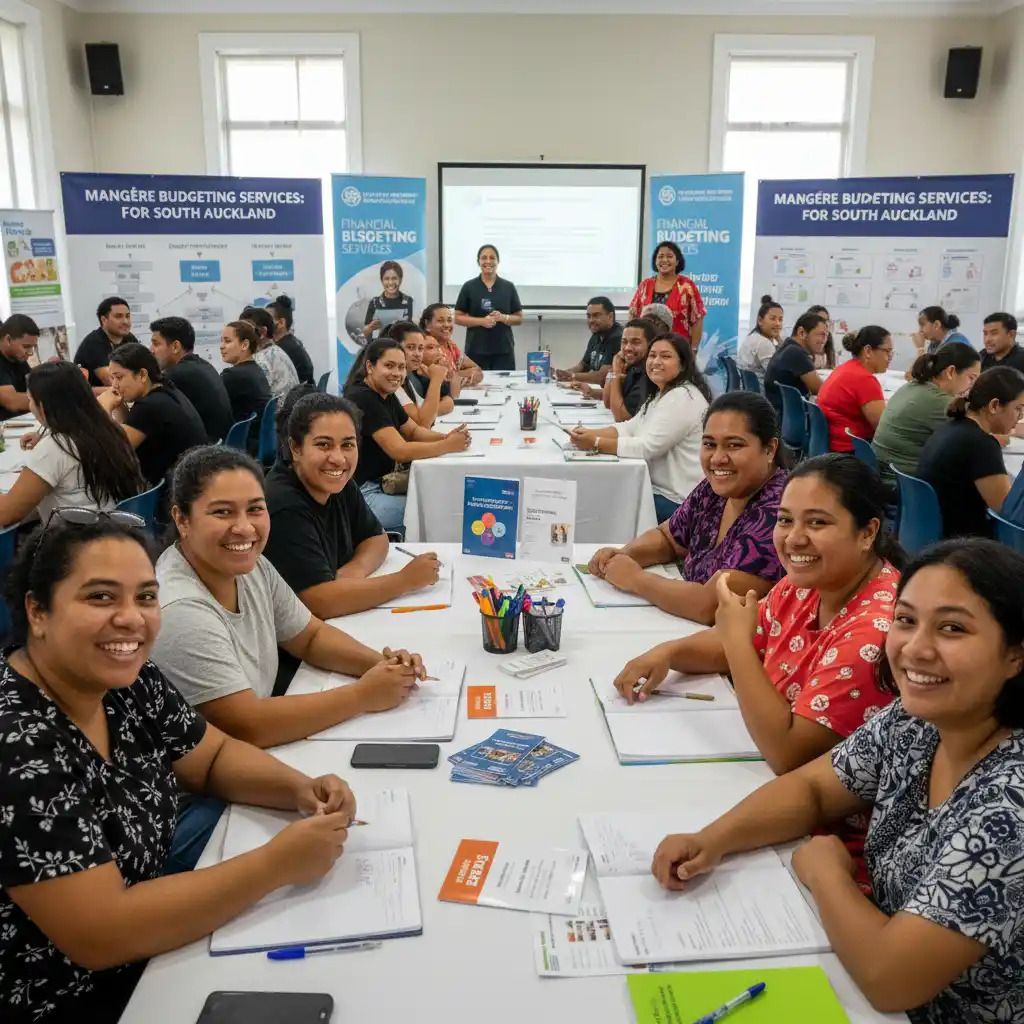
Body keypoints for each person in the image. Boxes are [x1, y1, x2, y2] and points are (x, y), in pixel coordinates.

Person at [0, 511, 362, 1024]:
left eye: (146, 596)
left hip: (152, 885)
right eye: (101, 597)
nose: (132, 619)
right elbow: (103, 934)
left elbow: (211, 755)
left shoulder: (127, 676)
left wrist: (300, 789)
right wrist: (276, 865)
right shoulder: (17, 747)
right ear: (38, 611)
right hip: (77, 991)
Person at [650, 538, 1024, 1023]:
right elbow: (811, 788)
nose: (914, 648)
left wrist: (827, 874)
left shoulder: (1009, 806)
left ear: (1015, 655)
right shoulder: (919, 721)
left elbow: (891, 979)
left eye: (952, 629)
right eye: (906, 620)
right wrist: (713, 839)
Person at [617, 455, 899, 838]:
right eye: (785, 520)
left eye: (817, 522)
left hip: (820, 833)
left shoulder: (876, 632)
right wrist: (669, 652)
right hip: (761, 779)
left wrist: (735, 642)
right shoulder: (808, 582)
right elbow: (747, 632)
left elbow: (788, 754)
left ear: (867, 533)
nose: (794, 538)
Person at [152, 445, 427, 750]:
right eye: (222, 512)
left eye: (255, 509)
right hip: (215, 785)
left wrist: (383, 666)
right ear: (182, 519)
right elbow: (247, 727)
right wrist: (362, 695)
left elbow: (309, 636)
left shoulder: (250, 565)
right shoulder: (179, 610)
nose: (244, 528)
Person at [587, 392, 787, 623]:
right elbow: (669, 538)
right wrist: (623, 556)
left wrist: (635, 579)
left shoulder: (779, 513)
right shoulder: (716, 490)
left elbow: (710, 606)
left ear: (770, 450)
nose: (718, 458)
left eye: (734, 445)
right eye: (710, 445)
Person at [263, 391, 443, 618]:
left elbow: (377, 538)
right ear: (296, 448)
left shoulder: (335, 480)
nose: (338, 458)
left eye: (347, 445)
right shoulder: (283, 506)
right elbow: (319, 602)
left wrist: (352, 572)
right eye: (323, 445)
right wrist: (404, 580)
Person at [568, 333, 712, 523]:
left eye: (665, 356)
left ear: (683, 364)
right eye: (652, 356)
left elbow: (647, 447)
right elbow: (629, 428)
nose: (656, 362)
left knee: (601, 500)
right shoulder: (662, 393)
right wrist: (587, 432)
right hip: (658, 488)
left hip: (677, 500)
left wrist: (595, 442)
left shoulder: (683, 397)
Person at [342, 338, 472, 533]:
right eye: (389, 366)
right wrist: (448, 445)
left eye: (401, 367)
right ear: (370, 366)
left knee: (442, 499)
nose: (396, 373)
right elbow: (400, 451)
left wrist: (445, 437)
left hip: (384, 484)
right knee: (438, 510)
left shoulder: (386, 393)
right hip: (364, 495)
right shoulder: (363, 398)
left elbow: (413, 430)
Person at [0, 362, 145, 527]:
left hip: (75, 543)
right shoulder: (110, 430)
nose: (30, 407)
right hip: (116, 533)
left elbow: (7, 514)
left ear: (44, 405)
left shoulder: (55, 448)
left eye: (31, 400)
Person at [916, 366, 1024, 539]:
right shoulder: (982, 445)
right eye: (1018, 409)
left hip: (931, 535)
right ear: (994, 405)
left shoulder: (951, 427)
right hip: (963, 545)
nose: (1020, 416)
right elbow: (1008, 516)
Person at [98, 343, 207, 489]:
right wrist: (119, 404)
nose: (114, 385)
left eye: (119, 377)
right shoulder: (166, 390)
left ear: (142, 375)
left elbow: (113, 451)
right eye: (112, 379)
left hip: (177, 491)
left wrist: (104, 409)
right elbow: (130, 426)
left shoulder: (150, 407)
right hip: (195, 478)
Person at [871, 342, 980, 477]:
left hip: (886, 475)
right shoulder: (939, 402)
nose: (971, 386)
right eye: (971, 378)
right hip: (899, 484)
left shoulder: (912, 387)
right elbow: (979, 440)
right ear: (951, 372)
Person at [149, 315, 233, 443]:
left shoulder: (176, 375)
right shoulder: (202, 364)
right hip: (220, 444)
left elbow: (148, 411)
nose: (151, 350)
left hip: (204, 451)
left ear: (175, 347)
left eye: (155, 344)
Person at [816, 326, 893, 452]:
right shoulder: (865, 380)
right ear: (868, 351)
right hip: (850, 450)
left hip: (833, 443)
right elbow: (883, 428)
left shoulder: (845, 368)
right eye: (887, 351)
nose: (890, 357)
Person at [454, 244, 523, 371]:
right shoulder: (469, 287)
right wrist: (482, 321)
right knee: (475, 387)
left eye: (492, 258)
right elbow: (457, 317)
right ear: (478, 261)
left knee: (503, 388)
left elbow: (519, 318)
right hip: (476, 350)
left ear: (498, 261)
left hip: (503, 350)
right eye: (483, 258)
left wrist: (503, 317)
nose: (488, 261)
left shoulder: (508, 287)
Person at [628, 242, 706, 346]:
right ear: (655, 261)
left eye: (669, 256)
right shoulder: (645, 285)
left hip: (677, 347)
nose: (664, 260)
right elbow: (633, 313)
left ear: (677, 261)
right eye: (660, 256)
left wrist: (693, 349)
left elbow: (697, 319)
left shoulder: (687, 286)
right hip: (647, 346)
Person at [219, 320, 271, 453]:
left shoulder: (233, 375)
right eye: (221, 341)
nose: (221, 346)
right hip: (258, 443)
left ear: (244, 345)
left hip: (245, 446)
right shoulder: (255, 370)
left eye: (227, 341)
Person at [763, 312, 828, 418]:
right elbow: (821, 390)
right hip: (787, 417)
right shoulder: (796, 353)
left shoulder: (788, 346)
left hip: (779, 414)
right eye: (821, 335)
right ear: (802, 332)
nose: (824, 340)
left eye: (827, 335)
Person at [391, 320, 455, 427]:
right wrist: (436, 380)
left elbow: (449, 397)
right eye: (411, 347)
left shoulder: (407, 376)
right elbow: (423, 423)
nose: (417, 354)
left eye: (420, 349)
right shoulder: (391, 380)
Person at [553, 297, 622, 384]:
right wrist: (560, 374)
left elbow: (602, 377)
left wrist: (571, 376)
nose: (591, 320)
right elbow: (582, 366)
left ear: (610, 316)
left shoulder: (618, 338)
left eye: (596, 315)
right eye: (589, 316)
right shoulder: (596, 335)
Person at [74, 296, 139, 388]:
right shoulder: (94, 342)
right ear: (104, 320)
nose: (125, 321)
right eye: (118, 316)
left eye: (127, 316)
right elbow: (112, 381)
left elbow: (143, 368)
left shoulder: (130, 338)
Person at [600, 318, 657, 421]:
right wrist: (614, 370)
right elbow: (608, 402)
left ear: (650, 345)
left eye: (636, 342)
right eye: (624, 342)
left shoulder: (648, 374)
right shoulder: (632, 366)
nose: (627, 348)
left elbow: (620, 416)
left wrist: (616, 374)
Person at [239, 305, 299, 403]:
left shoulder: (260, 360)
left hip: (278, 416)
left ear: (262, 332)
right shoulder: (277, 351)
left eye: (244, 332)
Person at [420, 303, 483, 385]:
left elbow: (477, 371)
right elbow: (442, 381)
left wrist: (456, 376)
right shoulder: (424, 347)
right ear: (427, 324)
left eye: (449, 320)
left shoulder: (450, 345)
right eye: (440, 320)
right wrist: (462, 376)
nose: (447, 325)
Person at [265, 295, 315, 387]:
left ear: (281, 323)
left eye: (267, 320)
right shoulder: (293, 342)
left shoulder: (281, 350)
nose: (263, 324)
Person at [362, 260, 415, 341]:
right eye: (386, 279)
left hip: (400, 348)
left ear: (400, 279)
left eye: (394, 278)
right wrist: (370, 328)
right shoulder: (375, 303)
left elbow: (413, 331)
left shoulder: (408, 302)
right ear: (381, 280)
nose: (390, 282)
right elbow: (364, 334)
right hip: (378, 347)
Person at [0, 313, 38, 420]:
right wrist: (51, 400)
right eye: (26, 347)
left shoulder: (18, 357)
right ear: (8, 340)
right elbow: (13, 402)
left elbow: (34, 386)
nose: (30, 353)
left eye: (33, 347)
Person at [736, 296, 783, 380]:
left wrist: (777, 337)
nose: (778, 323)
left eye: (780, 319)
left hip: (746, 389)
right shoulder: (764, 343)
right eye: (773, 319)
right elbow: (778, 377)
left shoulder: (753, 336)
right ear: (760, 321)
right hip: (760, 391)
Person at [807, 304, 836, 370]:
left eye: (827, 321)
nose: (825, 324)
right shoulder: (803, 343)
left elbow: (832, 367)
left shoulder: (828, 339)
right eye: (821, 320)